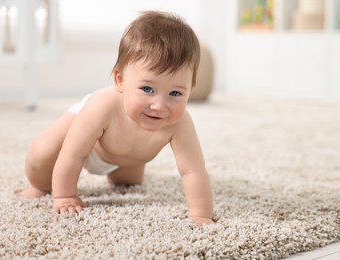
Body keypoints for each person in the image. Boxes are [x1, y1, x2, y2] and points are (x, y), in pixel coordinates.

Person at [17, 11, 214, 226]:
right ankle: (39, 185)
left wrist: (201, 213)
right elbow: (72, 154)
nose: (159, 106)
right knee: (43, 154)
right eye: (147, 88)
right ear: (120, 80)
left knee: (126, 184)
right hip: (87, 139)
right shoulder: (101, 106)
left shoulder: (180, 122)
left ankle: (121, 170)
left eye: (175, 93)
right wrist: (64, 196)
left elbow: (193, 170)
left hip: (125, 153)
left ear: (190, 90)